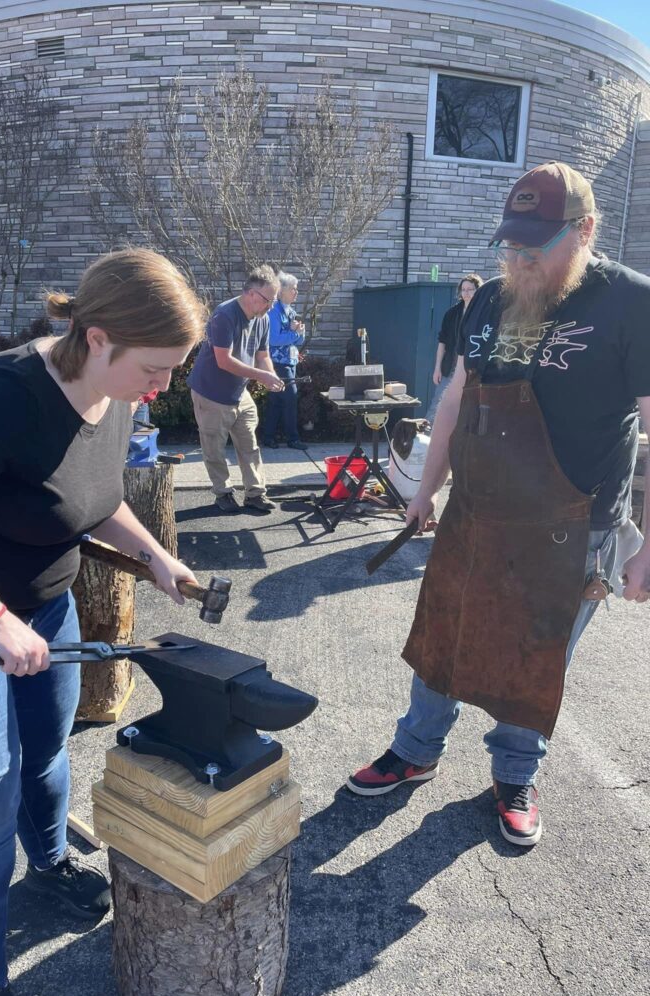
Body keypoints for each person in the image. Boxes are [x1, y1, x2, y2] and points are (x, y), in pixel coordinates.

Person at [0, 248, 207, 996]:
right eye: (155, 371)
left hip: (41, 608)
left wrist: (157, 558)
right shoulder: (5, 398)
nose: (162, 392)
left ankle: (52, 866)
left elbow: (90, 498)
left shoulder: (118, 390)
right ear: (97, 338)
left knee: (49, 751)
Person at [347, 161, 650, 847]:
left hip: (572, 528)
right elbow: (455, 397)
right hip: (477, 515)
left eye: (533, 246)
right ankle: (417, 751)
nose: (518, 258)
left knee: (533, 656)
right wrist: (424, 492)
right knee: (443, 637)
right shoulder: (490, 298)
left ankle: (514, 774)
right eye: (509, 245)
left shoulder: (632, 301)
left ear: (586, 230)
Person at [188, 264, 284, 514]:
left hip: (239, 393)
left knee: (249, 444)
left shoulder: (262, 319)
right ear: (251, 293)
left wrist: (270, 375)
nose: (271, 306)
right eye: (268, 300)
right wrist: (260, 375)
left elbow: (262, 355)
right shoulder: (225, 315)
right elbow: (224, 361)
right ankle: (224, 493)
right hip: (211, 393)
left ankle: (255, 494)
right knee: (214, 449)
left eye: (273, 300)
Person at [425, 273, 482, 422]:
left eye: (470, 289)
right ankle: (426, 439)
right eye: (463, 289)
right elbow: (442, 341)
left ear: (478, 290)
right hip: (451, 367)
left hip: (473, 370)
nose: (466, 293)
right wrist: (437, 368)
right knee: (437, 404)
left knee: (469, 408)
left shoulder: (483, 314)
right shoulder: (452, 313)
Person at [261, 271, 308, 450]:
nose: (296, 292)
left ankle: (268, 437)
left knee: (276, 400)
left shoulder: (291, 312)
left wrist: (298, 333)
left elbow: (297, 341)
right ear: (281, 291)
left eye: (296, 289)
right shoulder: (274, 312)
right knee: (290, 397)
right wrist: (293, 333)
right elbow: (273, 340)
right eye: (293, 289)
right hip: (277, 362)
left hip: (290, 360)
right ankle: (292, 438)